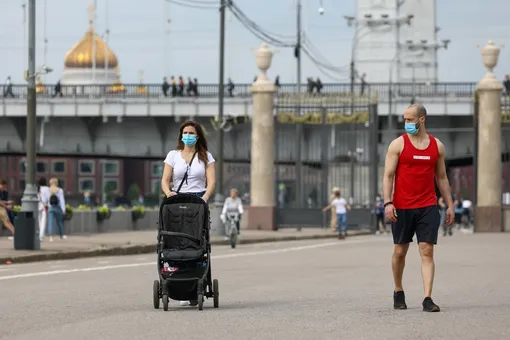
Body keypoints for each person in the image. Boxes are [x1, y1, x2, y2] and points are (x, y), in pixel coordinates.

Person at [383, 104, 453, 313]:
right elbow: (388, 175)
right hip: (402, 206)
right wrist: (388, 202)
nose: (406, 124)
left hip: (428, 205)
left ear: (422, 120)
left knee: (427, 251)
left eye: (410, 120)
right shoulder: (398, 144)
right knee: (400, 251)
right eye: (404, 120)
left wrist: (450, 205)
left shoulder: (436, 146)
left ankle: (427, 298)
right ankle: (398, 291)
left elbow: (441, 177)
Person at [160, 119, 216, 307]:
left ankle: (195, 283)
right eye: (185, 133)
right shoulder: (173, 155)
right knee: (176, 240)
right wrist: (168, 193)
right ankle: (177, 282)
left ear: (197, 136)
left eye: (192, 133)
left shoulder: (206, 156)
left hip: (198, 201)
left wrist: (205, 198)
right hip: (177, 200)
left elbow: (211, 182)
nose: (188, 136)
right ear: (181, 136)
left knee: (196, 240)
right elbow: (165, 179)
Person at [47, 178, 67, 242]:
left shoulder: (48, 190)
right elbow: (62, 200)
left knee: (51, 222)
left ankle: (51, 237)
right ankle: (61, 235)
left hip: (50, 208)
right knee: (59, 222)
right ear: (57, 183)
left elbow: (47, 200)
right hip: (58, 208)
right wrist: (63, 209)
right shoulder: (60, 190)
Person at [38, 177, 50, 241]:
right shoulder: (47, 189)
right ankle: (41, 235)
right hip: (44, 206)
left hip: (37, 206)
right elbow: (48, 198)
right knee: (43, 221)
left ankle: (40, 233)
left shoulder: (37, 188)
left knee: (39, 221)